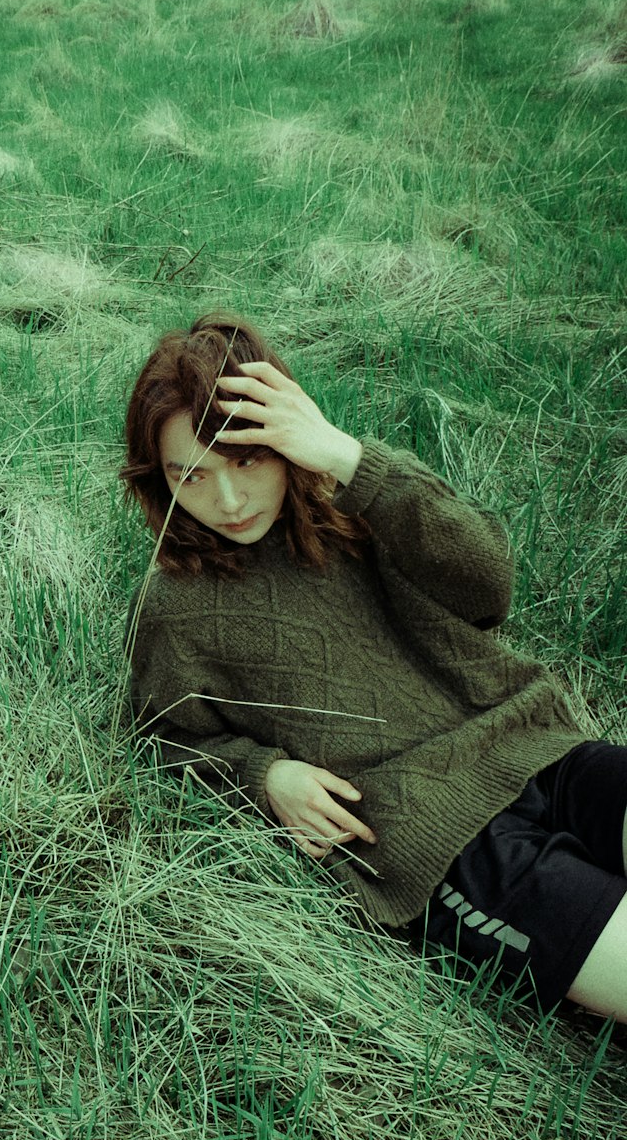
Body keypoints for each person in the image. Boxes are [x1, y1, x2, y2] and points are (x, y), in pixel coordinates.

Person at [121, 312, 627, 1022]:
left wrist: (351, 459)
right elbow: (159, 741)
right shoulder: (174, 606)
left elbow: (490, 587)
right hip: (436, 842)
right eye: (191, 474)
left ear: (287, 439)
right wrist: (265, 776)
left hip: (535, 751)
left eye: (247, 460)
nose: (227, 501)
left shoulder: (361, 506)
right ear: (158, 478)